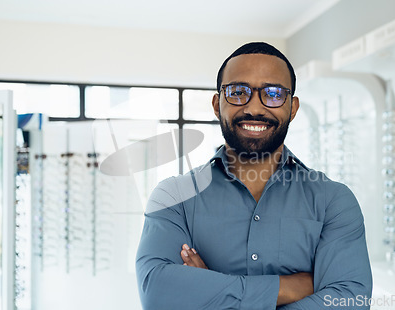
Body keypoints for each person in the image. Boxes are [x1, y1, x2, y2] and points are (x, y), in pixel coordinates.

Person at [135, 42, 372, 309]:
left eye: (273, 94)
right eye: (238, 92)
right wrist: (287, 287)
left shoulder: (333, 201)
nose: (255, 108)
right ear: (217, 104)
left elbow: (350, 301)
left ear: (292, 108)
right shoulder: (174, 197)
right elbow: (157, 293)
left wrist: (209, 288)